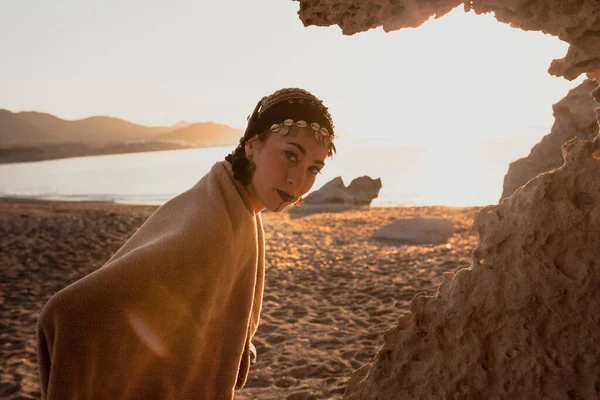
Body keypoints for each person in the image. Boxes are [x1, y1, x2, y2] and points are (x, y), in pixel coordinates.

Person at [36, 88, 336, 400]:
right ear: (252, 145)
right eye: (290, 155)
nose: (299, 180)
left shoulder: (227, 201)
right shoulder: (211, 228)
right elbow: (68, 311)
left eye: (313, 168)